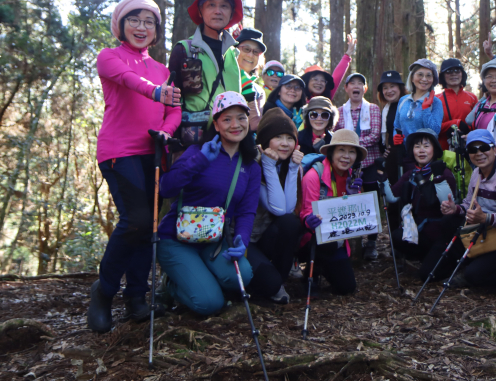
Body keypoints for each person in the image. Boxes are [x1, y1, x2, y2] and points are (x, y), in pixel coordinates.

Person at [87, 0, 182, 333]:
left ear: (156, 30)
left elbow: (174, 109)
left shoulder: (162, 70)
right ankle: (103, 292)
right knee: (136, 219)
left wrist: (166, 131)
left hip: (152, 151)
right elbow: (130, 80)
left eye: (149, 22)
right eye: (134, 20)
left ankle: (137, 298)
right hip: (118, 151)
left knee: (149, 225)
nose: (142, 27)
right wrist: (157, 92)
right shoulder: (109, 58)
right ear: (121, 24)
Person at [156, 92, 260, 315]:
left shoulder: (251, 166)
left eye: (241, 118)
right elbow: (166, 188)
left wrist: (242, 239)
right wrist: (201, 161)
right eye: (227, 119)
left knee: (244, 276)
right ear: (216, 124)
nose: (235, 124)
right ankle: (172, 285)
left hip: (213, 238)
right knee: (210, 304)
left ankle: (197, 277)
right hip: (176, 239)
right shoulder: (196, 152)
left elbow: (246, 211)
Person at [440, 130, 496, 288]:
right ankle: (466, 262)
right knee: (448, 221)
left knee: (474, 276)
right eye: (472, 149)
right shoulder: (477, 173)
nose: (479, 153)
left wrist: (485, 218)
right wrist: (455, 209)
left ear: (494, 149)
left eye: (484, 147)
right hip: (486, 230)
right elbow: (469, 204)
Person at [379, 129, 461, 281]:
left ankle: (446, 262)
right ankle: (426, 257)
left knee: (427, 276)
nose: (421, 150)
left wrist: (438, 178)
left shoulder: (444, 173)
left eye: (426, 146)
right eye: (417, 146)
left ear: (434, 149)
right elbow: (392, 197)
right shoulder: (411, 173)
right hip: (420, 231)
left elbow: (446, 204)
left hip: (441, 234)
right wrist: (382, 178)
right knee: (397, 236)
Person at [169, 0, 243, 148]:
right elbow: (170, 102)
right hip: (193, 146)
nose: (218, 11)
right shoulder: (183, 50)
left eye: (224, 6)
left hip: (230, 143)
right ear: (200, 12)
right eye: (211, 5)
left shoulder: (233, 54)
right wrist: (174, 147)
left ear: (231, 13)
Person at [247, 108, 304, 304]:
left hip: (265, 236)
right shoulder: (253, 163)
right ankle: (269, 282)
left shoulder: (290, 164)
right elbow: (277, 208)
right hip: (244, 239)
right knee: (268, 283)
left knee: (290, 223)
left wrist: (294, 169)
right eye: (278, 137)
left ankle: (278, 280)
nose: (284, 143)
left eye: (289, 138)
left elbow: (287, 210)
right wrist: (268, 166)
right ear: (265, 140)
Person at [299, 129, 366, 295]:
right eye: (341, 150)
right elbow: (306, 211)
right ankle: (310, 273)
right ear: (331, 152)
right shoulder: (314, 176)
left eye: (351, 152)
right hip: (312, 238)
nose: (346, 156)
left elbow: (353, 217)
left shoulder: (351, 176)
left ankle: (325, 269)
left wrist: (354, 198)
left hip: (338, 240)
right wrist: (310, 220)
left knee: (347, 287)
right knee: (325, 244)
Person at [333, 73, 383, 260]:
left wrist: (351, 143)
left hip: (370, 162)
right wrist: (348, 147)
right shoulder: (339, 111)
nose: (356, 86)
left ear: (365, 89)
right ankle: (348, 241)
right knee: (346, 200)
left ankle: (371, 242)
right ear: (346, 88)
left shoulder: (373, 109)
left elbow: (375, 136)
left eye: (360, 83)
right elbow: (337, 136)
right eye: (351, 83)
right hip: (347, 165)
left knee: (372, 201)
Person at [394, 59, 444, 146]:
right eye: (420, 74)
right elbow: (397, 126)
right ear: (412, 78)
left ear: (433, 80)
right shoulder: (403, 100)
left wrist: (426, 109)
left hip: (425, 154)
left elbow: (435, 131)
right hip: (403, 154)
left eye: (429, 76)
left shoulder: (436, 102)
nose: (424, 79)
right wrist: (395, 137)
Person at [436, 58, 478, 151]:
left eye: (457, 70)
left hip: (469, 149)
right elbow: (433, 127)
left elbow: (478, 123)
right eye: (449, 71)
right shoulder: (436, 100)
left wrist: (467, 131)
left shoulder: (472, 98)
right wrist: (456, 123)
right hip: (444, 151)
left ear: (462, 74)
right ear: (442, 76)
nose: (453, 74)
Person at [301, 35, 357, 99]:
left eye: (322, 81)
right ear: (307, 81)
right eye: (315, 79)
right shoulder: (299, 99)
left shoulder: (326, 97)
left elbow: (337, 76)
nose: (319, 83)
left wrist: (348, 53)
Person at [377, 70, 407, 185]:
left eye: (392, 86)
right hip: (393, 159)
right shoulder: (385, 109)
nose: (389, 91)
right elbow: (384, 135)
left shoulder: (408, 104)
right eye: (385, 88)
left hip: (408, 157)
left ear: (400, 88)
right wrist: (384, 150)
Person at [235, 28, 267, 131]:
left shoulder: (259, 91)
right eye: (246, 49)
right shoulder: (221, 77)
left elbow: (255, 125)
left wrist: (250, 95)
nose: (250, 55)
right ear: (236, 50)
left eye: (255, 52)